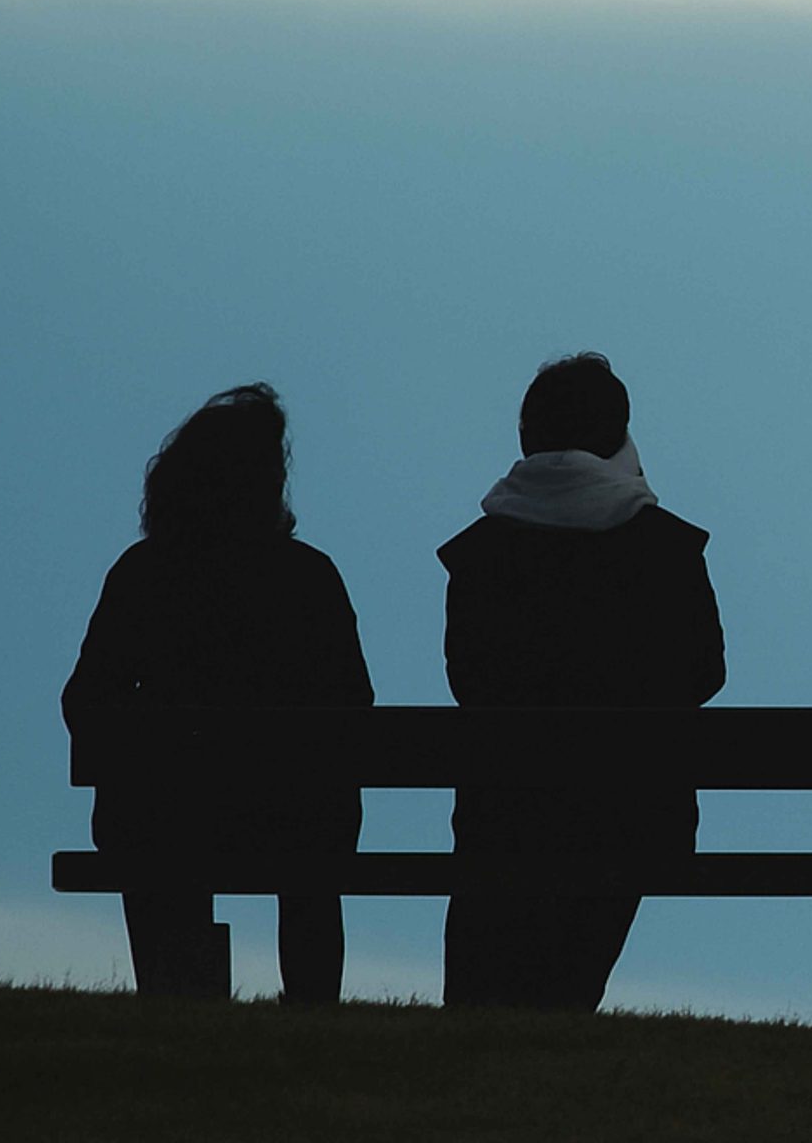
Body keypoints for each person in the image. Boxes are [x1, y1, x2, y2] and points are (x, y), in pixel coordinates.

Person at [63, 383, 371, 1003]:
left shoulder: (145, 573)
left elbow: (86, 702)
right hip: (293, 824)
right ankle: (313, 1007)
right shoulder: (309, 577)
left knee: (153, 823)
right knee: (316, 836)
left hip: (164, 820)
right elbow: (354, 707)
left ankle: (177, 1000)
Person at [440, 352, 726, 1010]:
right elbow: (704, 673)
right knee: (568, 970)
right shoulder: (666, 549)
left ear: (528, 435)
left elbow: (470, 682)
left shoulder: (480, 553)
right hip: (634, 819)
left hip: (503, 817)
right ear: (618, 438)